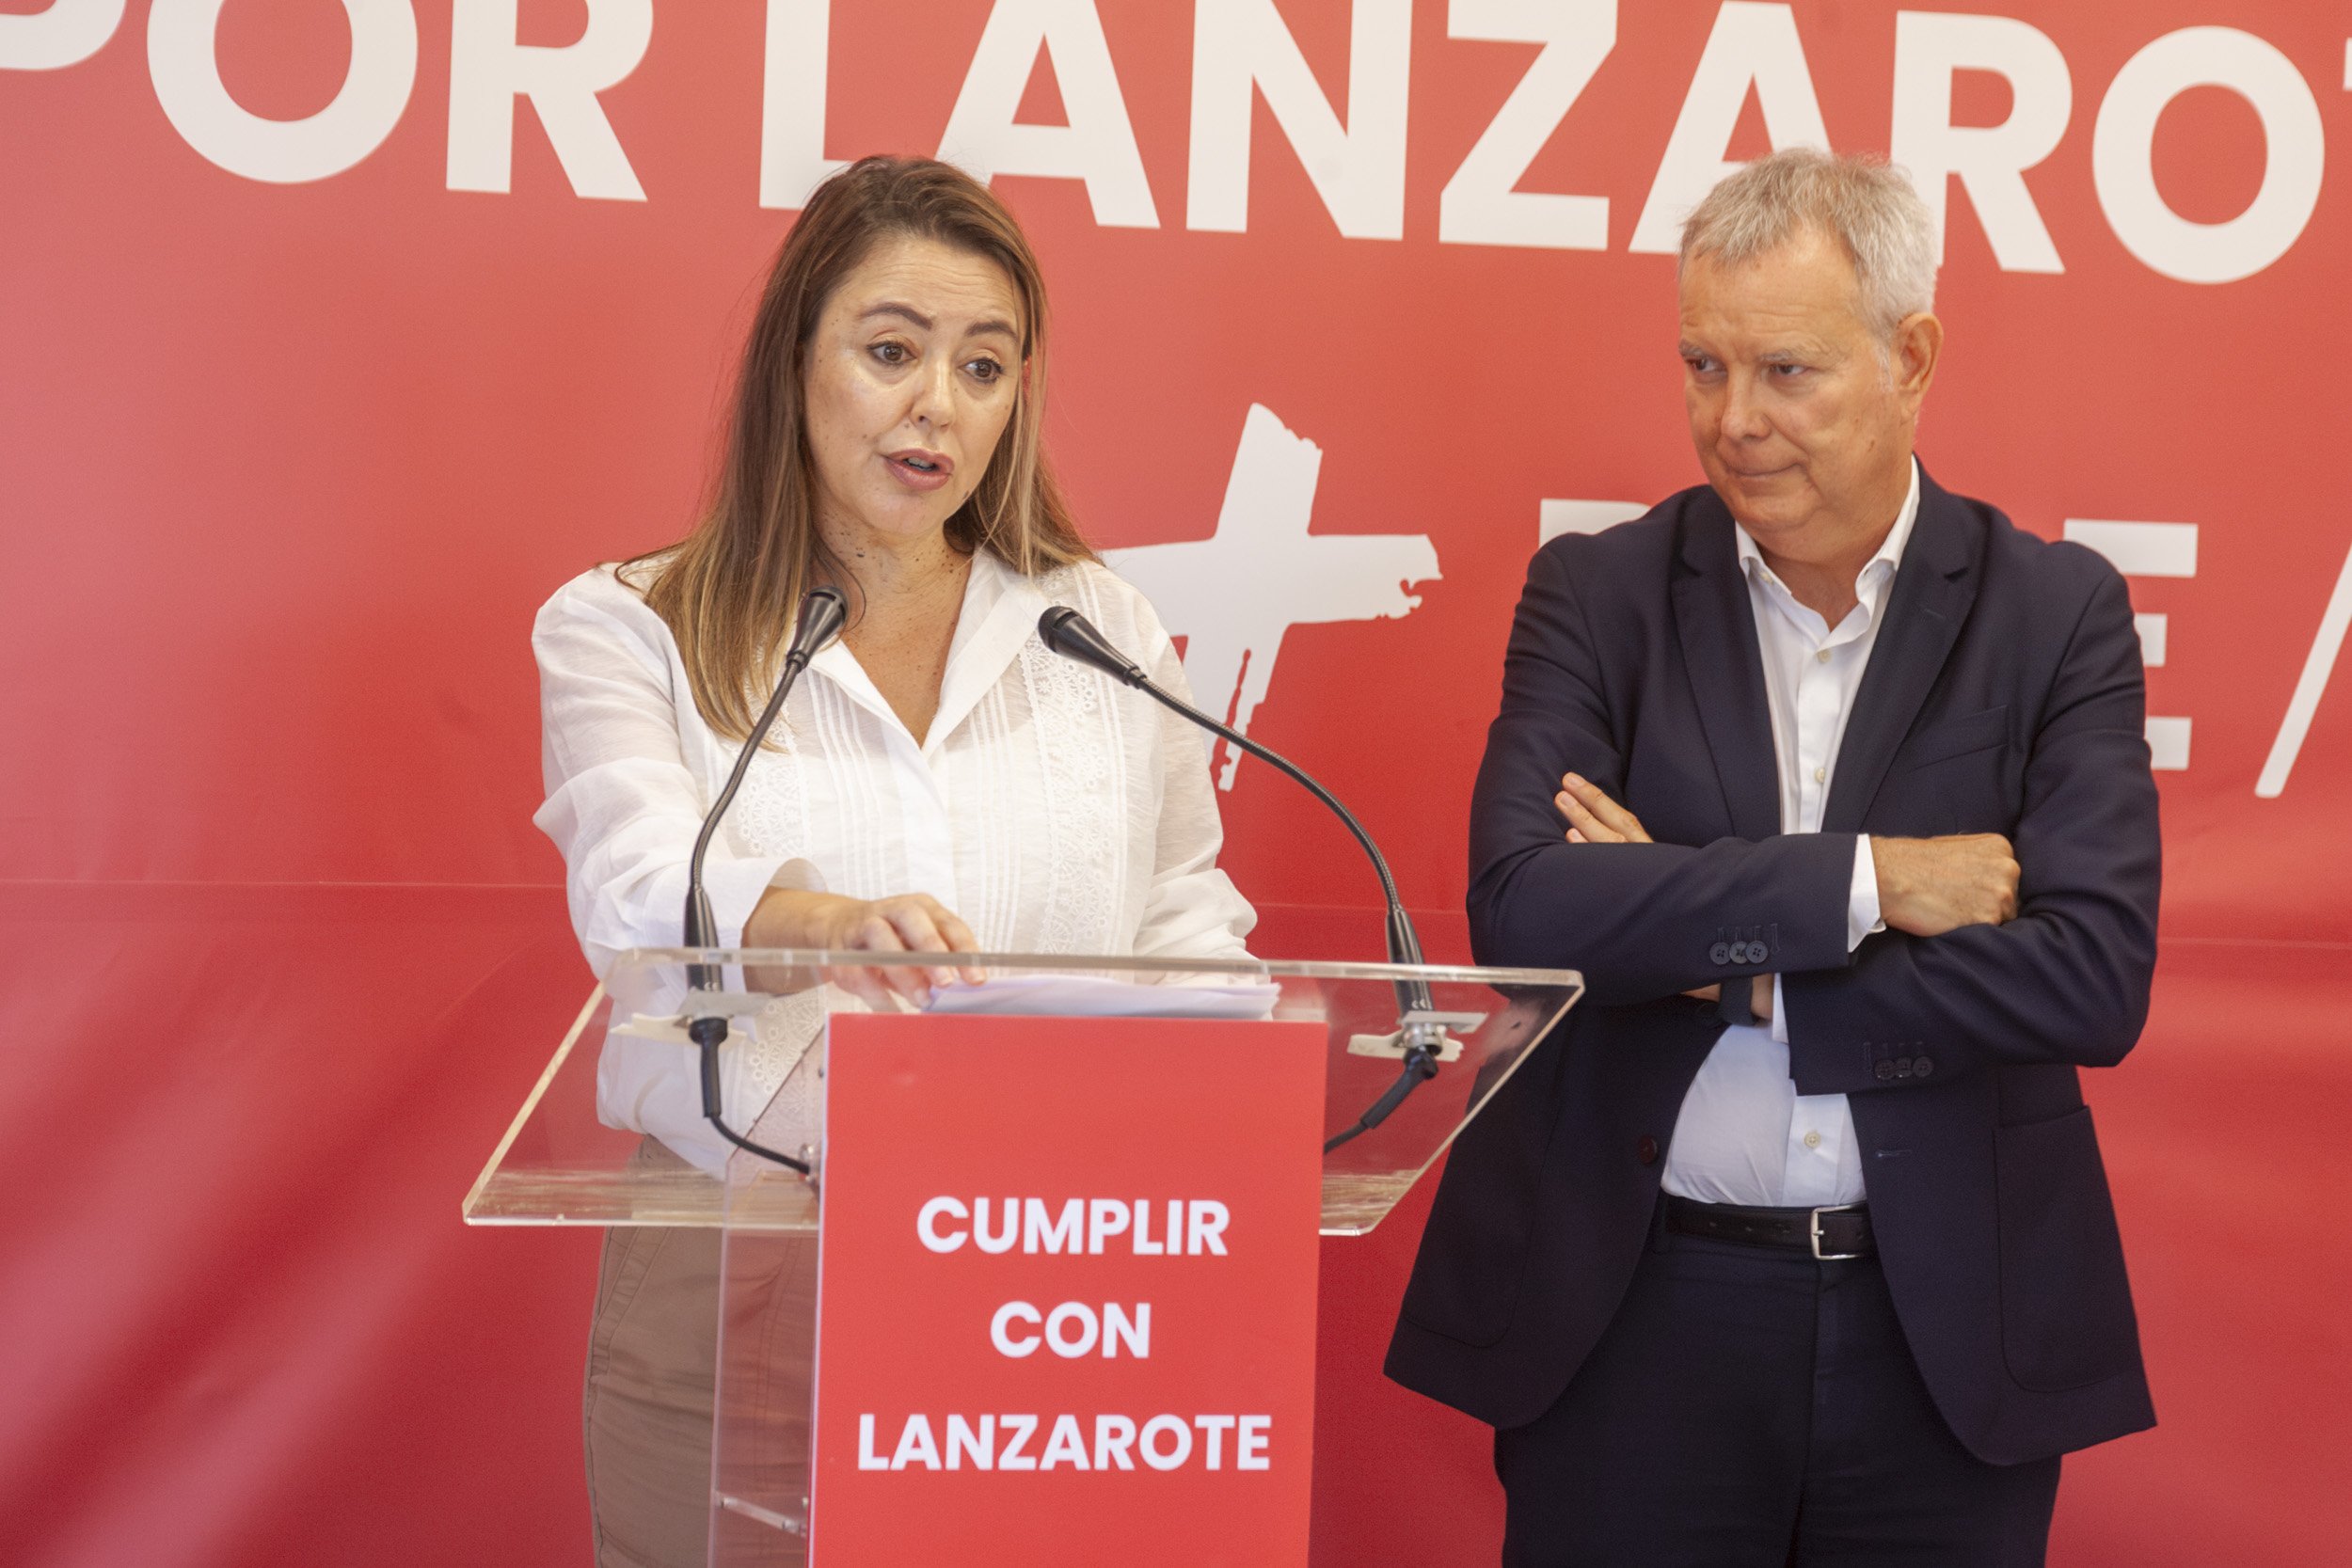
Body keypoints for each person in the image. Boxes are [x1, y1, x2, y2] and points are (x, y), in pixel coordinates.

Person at [1387, 148, 2160, 1565]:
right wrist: (1875, 883)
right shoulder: (1601, 594)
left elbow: (2088, 982)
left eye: (1785, 372)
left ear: (1910, 357)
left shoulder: (2054, 613)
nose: (1732, 422)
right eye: (1701, 366)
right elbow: (1528, 910)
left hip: (1937, 1339)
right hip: (1634, 1319)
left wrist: (1726, 966)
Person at [531, 155, 1255, 1568]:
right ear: (794, 362)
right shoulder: (632, 625)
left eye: (986, 366)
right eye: (891, 351)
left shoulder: (1095, 624)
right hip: (746, 1257)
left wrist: (1244, 1102)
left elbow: (1182, 910)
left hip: (1058, 1268)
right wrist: (820, 922)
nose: (940, 403)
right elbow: (636, 888)